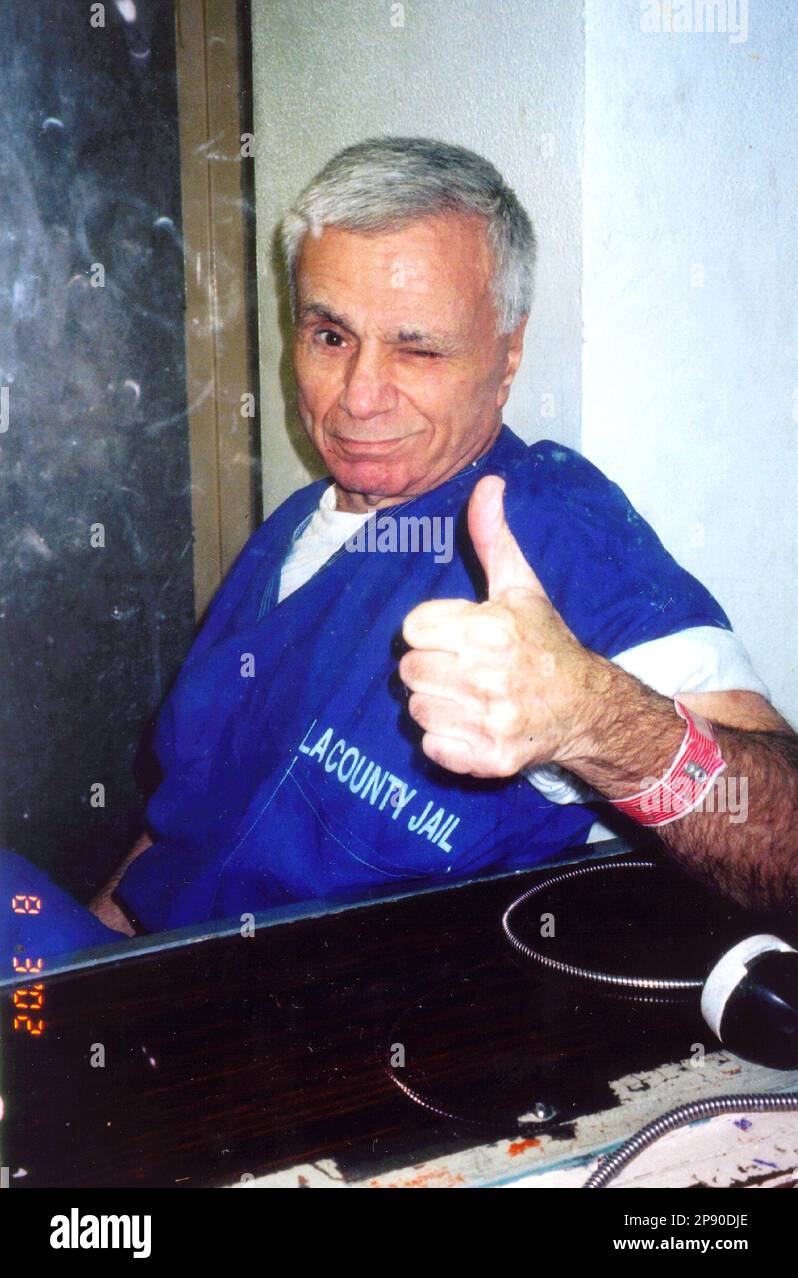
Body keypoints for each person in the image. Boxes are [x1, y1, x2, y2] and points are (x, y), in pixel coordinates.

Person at [8, 137, 796, 964]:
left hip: (328, 1059)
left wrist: (594, 715)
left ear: (508, 356)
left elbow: (787, 846)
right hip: (150, 994)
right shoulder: (291, 531)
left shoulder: (549, 523)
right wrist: (90, 974)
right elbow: (186, 820)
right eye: (330, 336)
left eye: (418, 348)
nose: (359, 397)